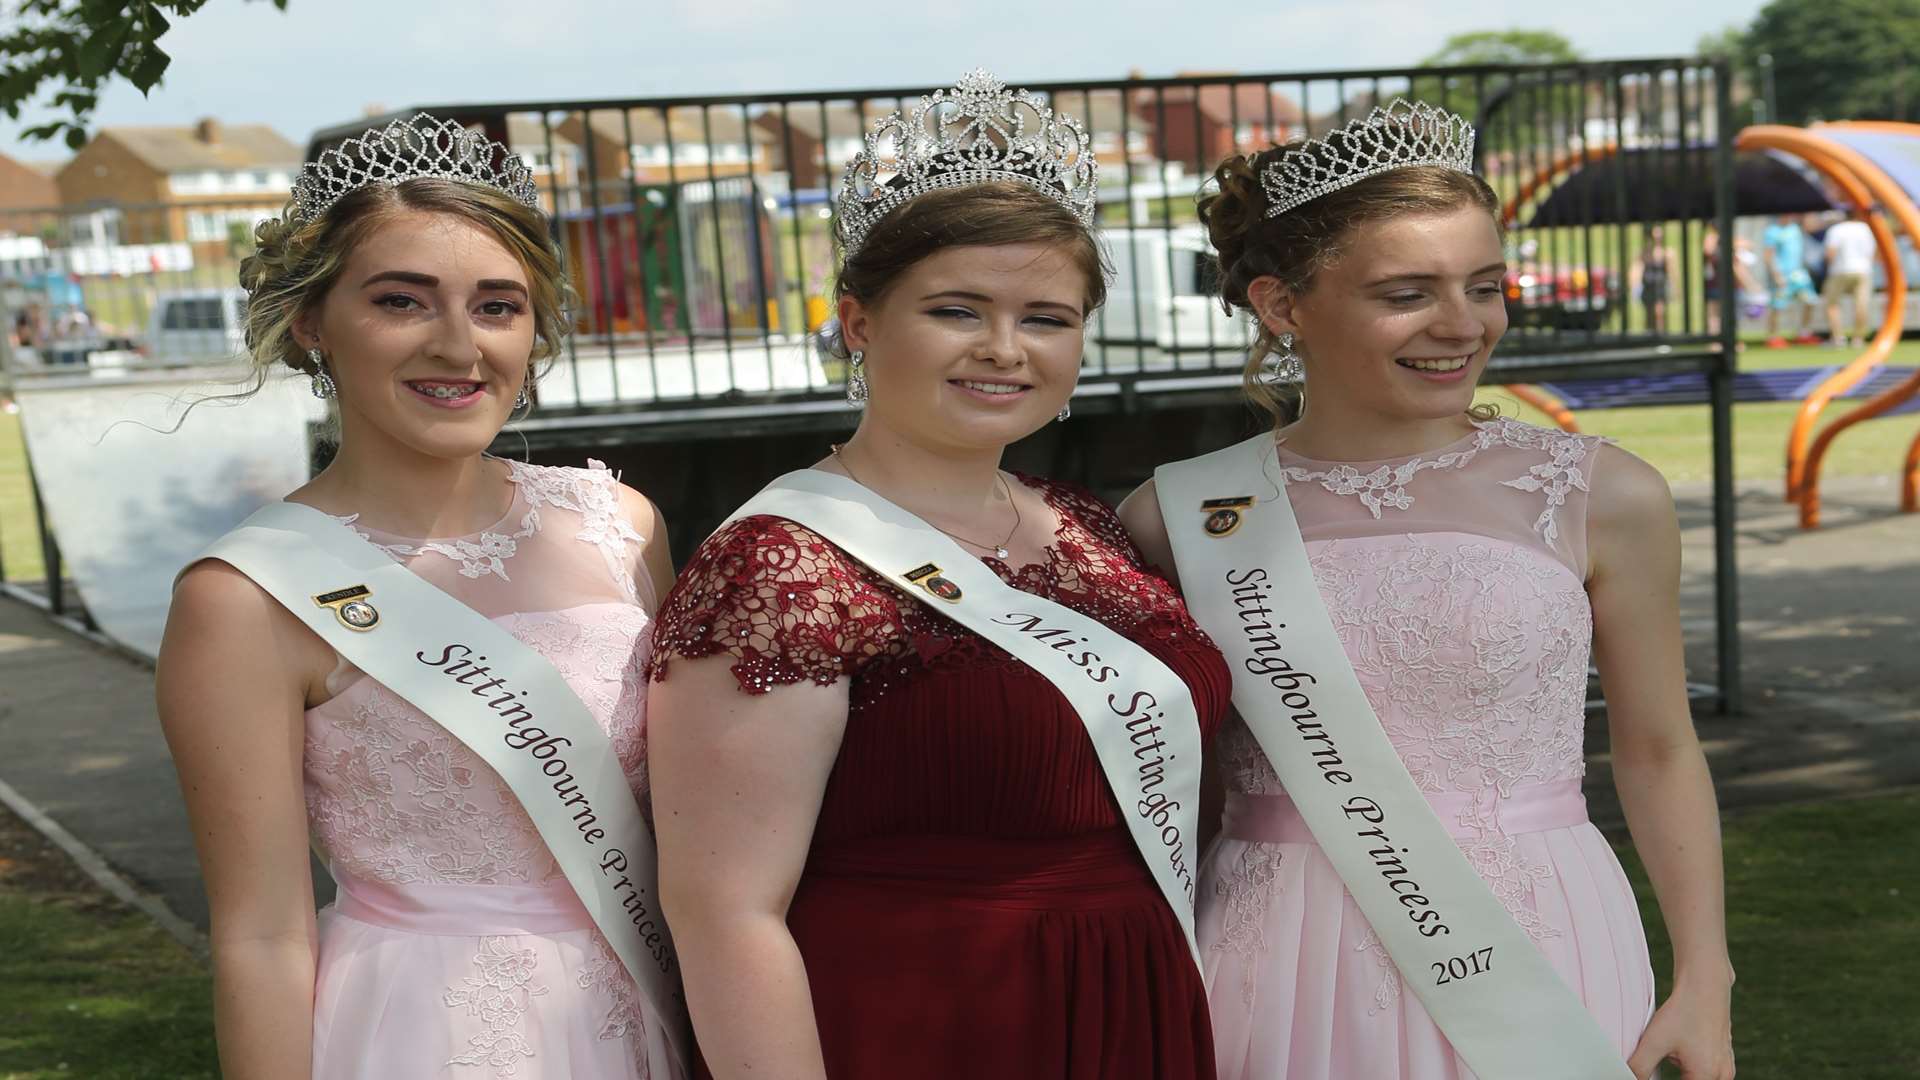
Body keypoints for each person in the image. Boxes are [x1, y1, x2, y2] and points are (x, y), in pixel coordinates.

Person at [1118, 101, 1735, 1080]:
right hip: (1268, 942)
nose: (1463, 325)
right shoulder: (1179, 516)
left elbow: (1658, 750)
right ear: (1283, 306)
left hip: (1540, 934)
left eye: (1484, 286)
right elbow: (1169, 785)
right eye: (1407, 293)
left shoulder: (1599, 495)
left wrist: (1705, 976)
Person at [645, 70, 1230, 1080]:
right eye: (958, 310)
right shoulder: (782, 566)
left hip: (1134, 999)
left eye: (1047, 318)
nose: (1004, 350)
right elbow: (723, 912)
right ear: (860, 322)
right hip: (921, 1021)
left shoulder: (1090, 526)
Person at [156, 115, 682, 1079]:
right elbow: (260, 940)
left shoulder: (623, 528)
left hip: (648, 1002)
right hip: (425, 1028)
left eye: (497, 305)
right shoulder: (247, 598)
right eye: (403, 301)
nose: (458, 346)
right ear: (314, 322)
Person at [1822, 207, 1878, 348]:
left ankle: (1838, 338)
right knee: (1861, 304)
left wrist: (1827, 267)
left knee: (1832, 304)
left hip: (1839, 270)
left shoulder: (1836, 230)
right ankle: (1858, 339)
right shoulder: (1865, 228)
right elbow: (1872, 252)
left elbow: (1830, 253)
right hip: (1863, 270)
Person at [1761, 213, 1820, 347]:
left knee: (1810, 301)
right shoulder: (1772, 231)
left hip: (1799, 274)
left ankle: (1804, 334)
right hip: (1782, 274)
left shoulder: (1796, 228)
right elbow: (1768, 254)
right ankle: (1773, 337)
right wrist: (1776, 275)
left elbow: (1813, 224)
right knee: (1778, 306)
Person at [1701, 223, 1761, 339]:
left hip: (1730, 285)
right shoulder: (1713, 239)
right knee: (1716, 315)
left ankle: (1729, 340)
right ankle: (1717, 341)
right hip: (1717, 284)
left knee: (1729, 315)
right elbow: (1708, 250)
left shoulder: (1729, 239)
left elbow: (1749, 245)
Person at [1633, 224, 1676, 335]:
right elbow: (1637, 269)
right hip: (1647, 287)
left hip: (1660, 287)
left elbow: (1671, 271)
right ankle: (1650, 337)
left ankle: (1661, 338)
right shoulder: (1644, 252)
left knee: (1659, 313)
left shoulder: (1667, 252)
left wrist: (1674, 287)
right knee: (1649, 314)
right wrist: (1635, 286)